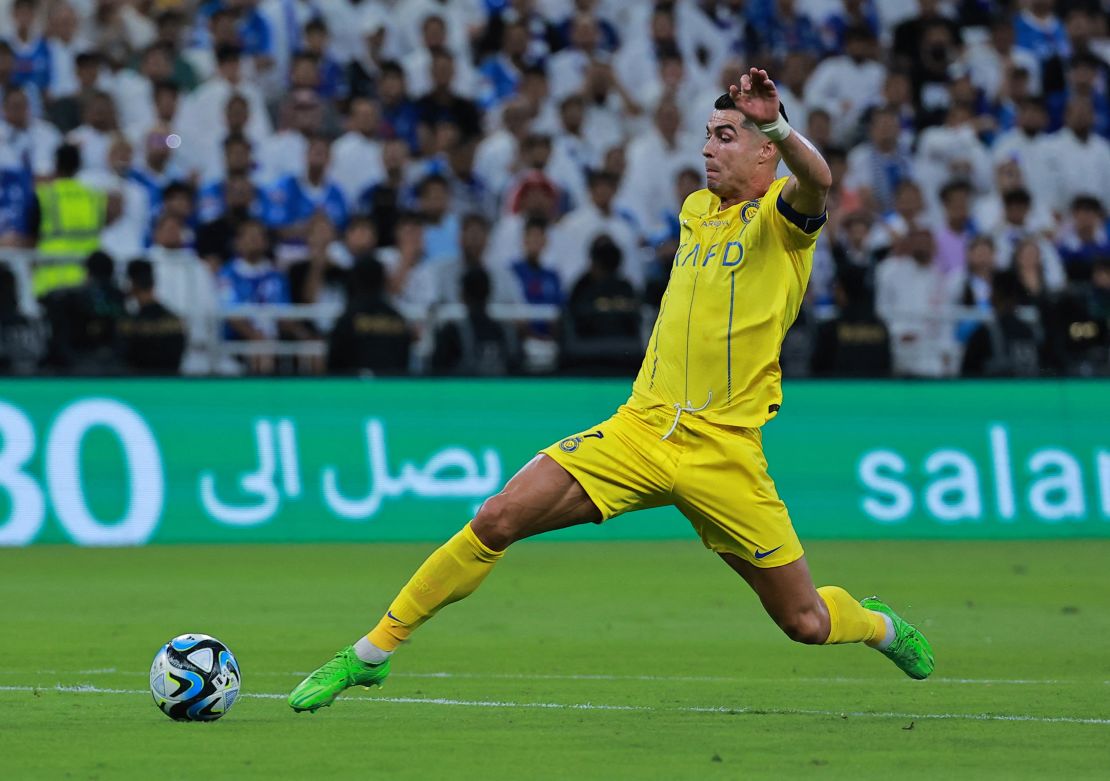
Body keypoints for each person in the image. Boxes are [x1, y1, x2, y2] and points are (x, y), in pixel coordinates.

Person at [288, 67, 934, 713]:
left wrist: (777, 123)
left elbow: (819, 180)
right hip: (642, 428)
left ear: (766, 148)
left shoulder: (783, 222)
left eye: (727, 136)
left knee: (807, 623)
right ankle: (371, 653)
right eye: (707, 135)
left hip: (725, 450)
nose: (708, 148)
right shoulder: (696, 210)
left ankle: (876, 623)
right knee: (496, 516)